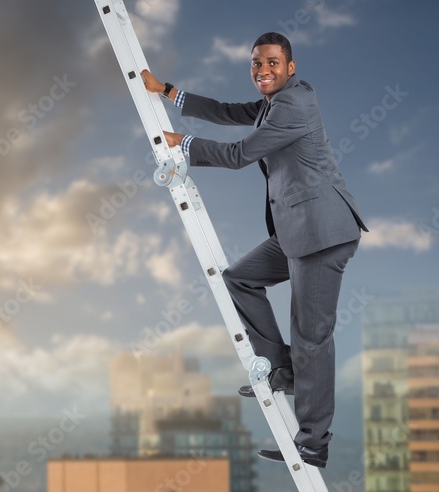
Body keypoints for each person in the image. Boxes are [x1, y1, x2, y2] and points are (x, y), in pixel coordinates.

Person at [141, 32, 368, 469]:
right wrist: (168, 91)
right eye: (256, 65)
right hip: (297, 231)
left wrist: (181, 143)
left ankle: (314, 441)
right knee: (239, 279)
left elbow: (241, 153)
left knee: (312, 337)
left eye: (271, 63)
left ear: (291, 67)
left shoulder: (294, 105)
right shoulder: (273, 103)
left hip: (322, 233)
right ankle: (282, 369)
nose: (262, 71)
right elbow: (229, 113)